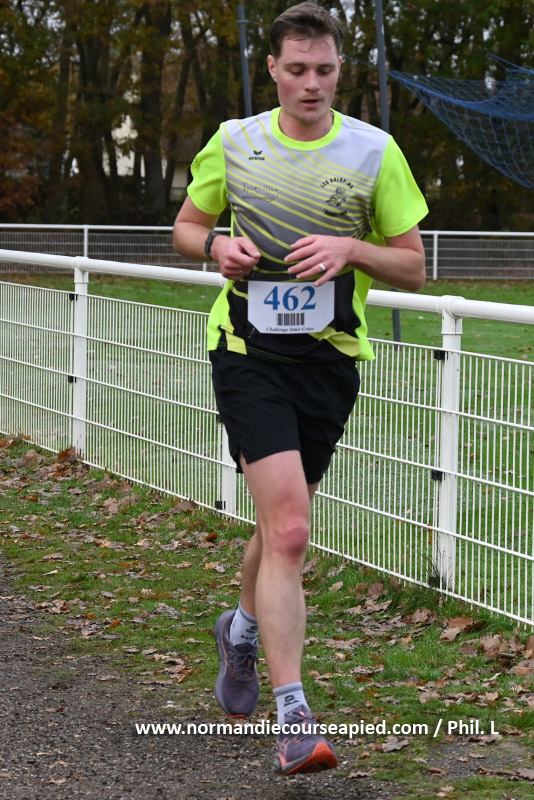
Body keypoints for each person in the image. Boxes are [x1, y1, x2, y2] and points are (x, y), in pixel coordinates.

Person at [173, 0, 428, 776]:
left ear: (340, 70)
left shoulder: (374, 151)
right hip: (246, 351)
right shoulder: (235, 142)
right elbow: (186, 228)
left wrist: (353, 248)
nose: (311, 84)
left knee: (281, 522)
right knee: (288, 530)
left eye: (324, 70)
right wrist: (215, 246)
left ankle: (241, 631)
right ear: (273, 70)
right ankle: (294, 718)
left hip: (330, 360)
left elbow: (414, 265)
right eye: (296, 70)